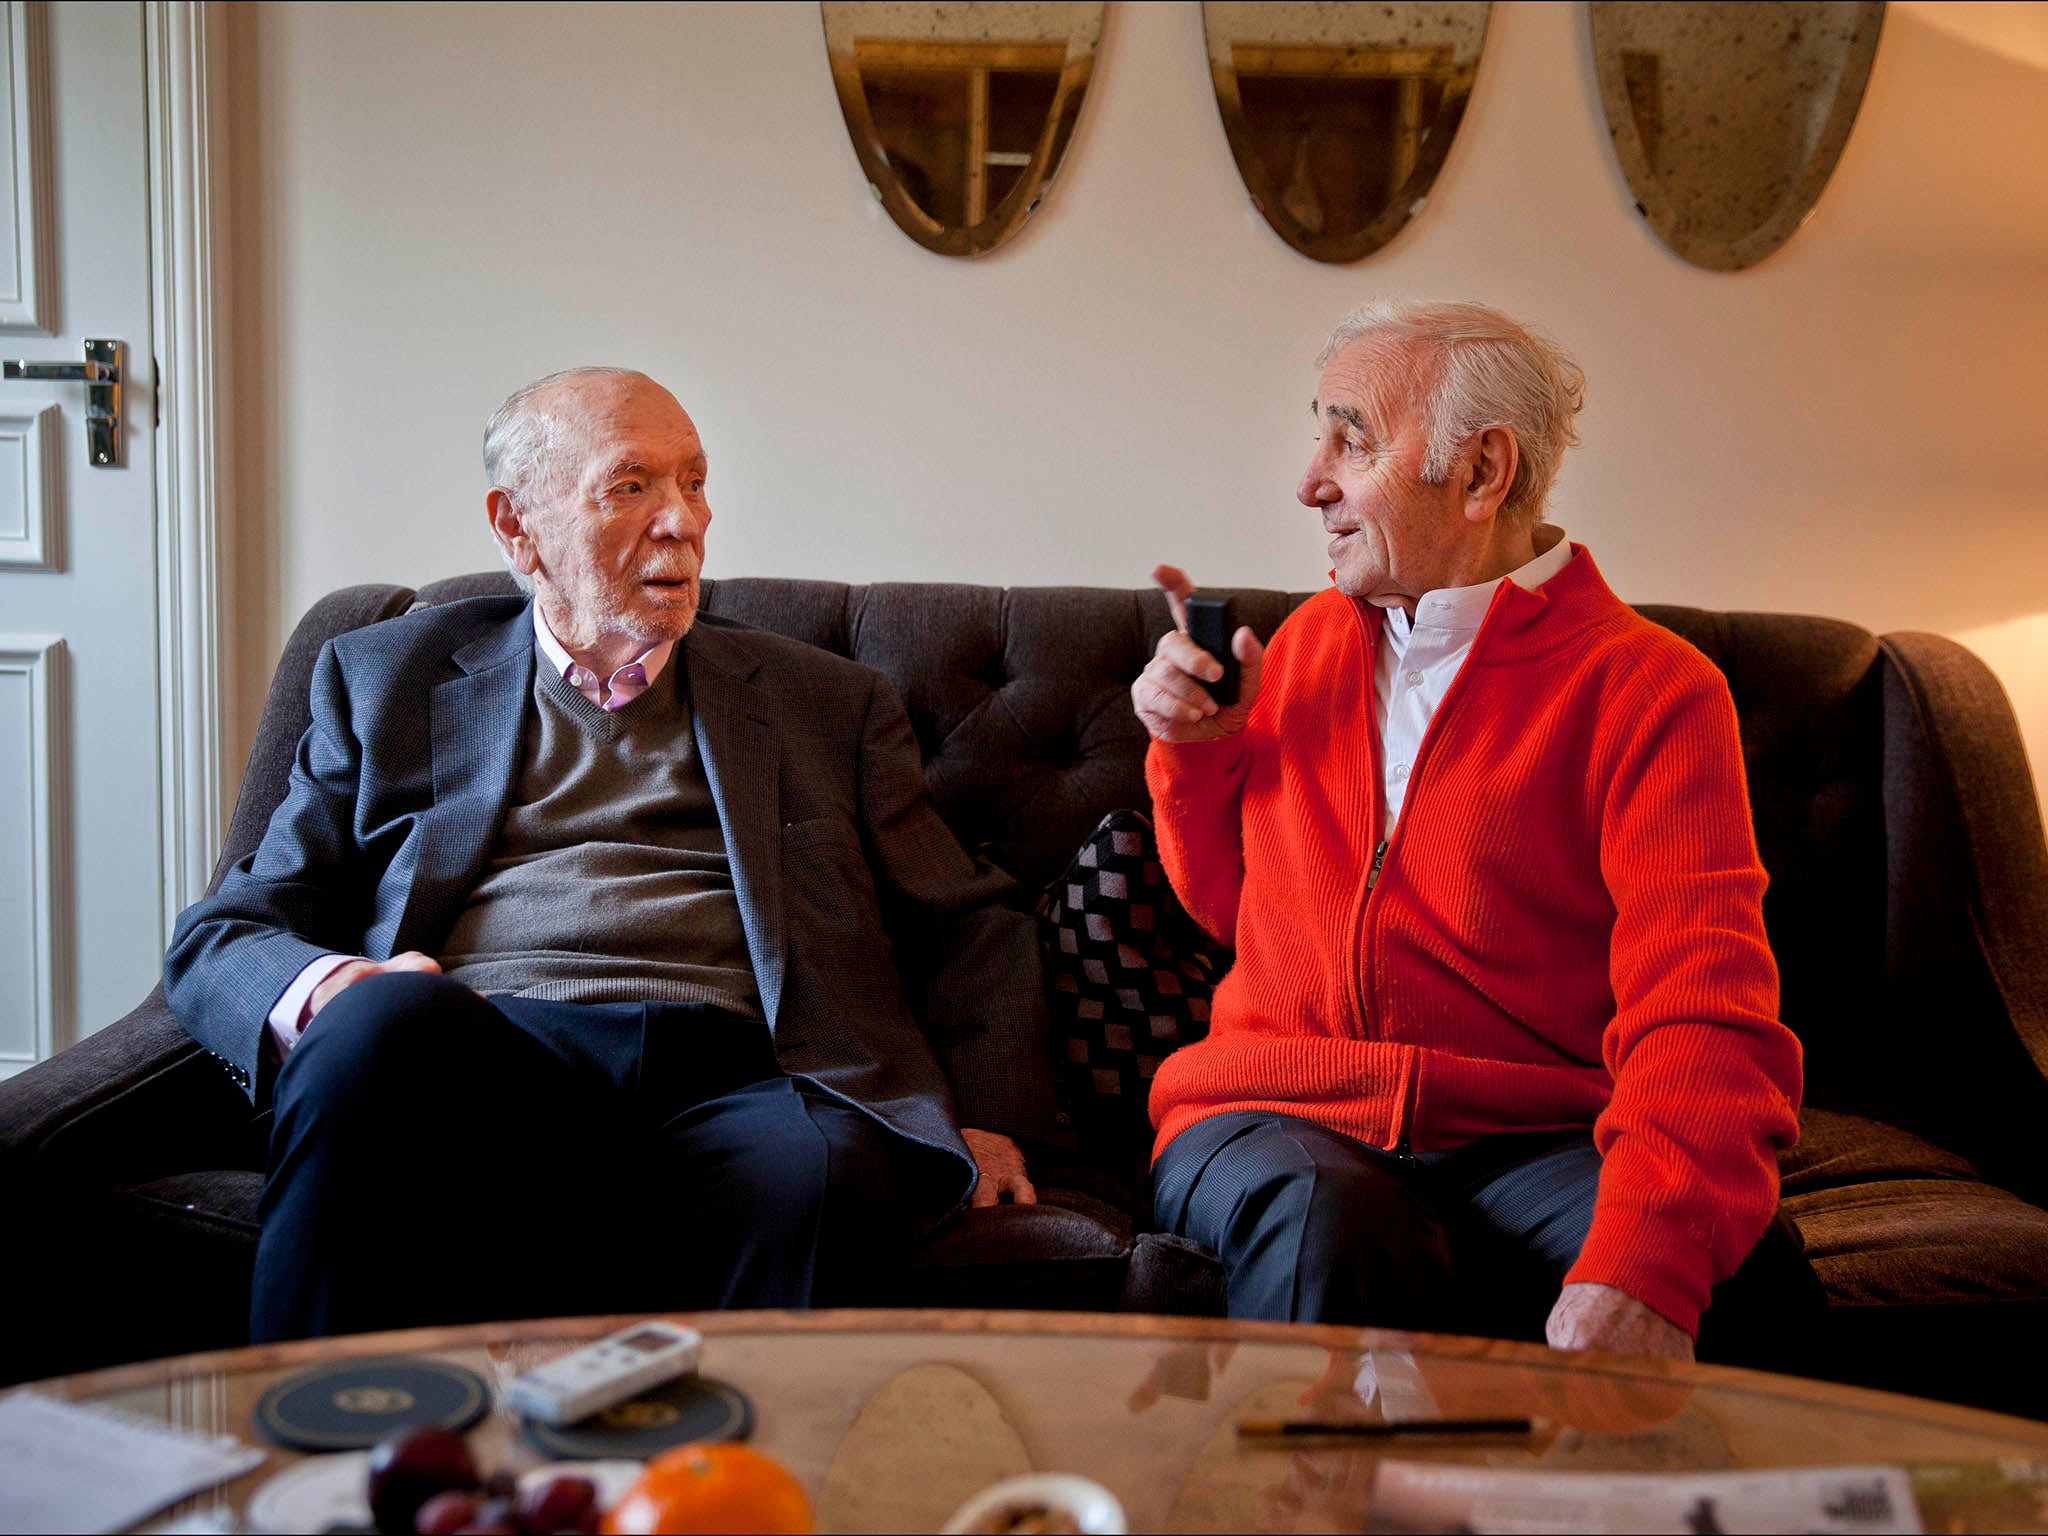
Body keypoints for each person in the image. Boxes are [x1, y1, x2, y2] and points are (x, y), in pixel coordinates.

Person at [166, 366, 1051, 1341]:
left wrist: (995, 1117)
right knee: (377, 1023)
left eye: (696, 482)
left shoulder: (825, 703)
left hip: (747, 1069)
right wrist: (338, 992)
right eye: (632, 486)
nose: (683, 522)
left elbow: (963, 919)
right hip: (488, 1055)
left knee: (822, 1171)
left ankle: (718, 1491)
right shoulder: (387, 680)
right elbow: (229, 933)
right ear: (518, 527)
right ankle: (314, 1462)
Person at [1130, 300, 1807, 1361]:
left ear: (1482, 471)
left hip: (1526, 1133)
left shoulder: (1651, 692)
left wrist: (1649, 1257)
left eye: (1349, 439)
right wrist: (1195, 750)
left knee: (1738, 1274)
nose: (1309, 481)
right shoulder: (1302, 650)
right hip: (1272, 1112)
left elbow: (1700, 1004)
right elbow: (1226, 908)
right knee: (1327, 1225)